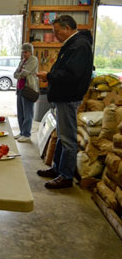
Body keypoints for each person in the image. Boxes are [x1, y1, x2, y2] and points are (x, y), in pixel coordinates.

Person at [36, 15, 93, 189]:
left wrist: (49, 75)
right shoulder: (72, 45)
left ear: (67, 28)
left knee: (67, 139)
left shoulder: (79, 46)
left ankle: (66, 176)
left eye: (56, 31)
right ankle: (57, 168)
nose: (55, 35)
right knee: (61, 136)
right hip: (63, 98)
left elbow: (71, 74)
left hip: (68, 98)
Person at [13, 43, 39, 143]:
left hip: (28, 89)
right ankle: (21, 131)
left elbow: (25, 73)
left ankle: (27, 134)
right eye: (23, 51)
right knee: (20, 112)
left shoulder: (33, 60)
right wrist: (20, 73)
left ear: (30, 52)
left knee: (28, 112)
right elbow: (15, 74)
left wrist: (20, 73)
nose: (24, 53)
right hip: (20, 88)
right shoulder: (22, 61)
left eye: (26, 52)